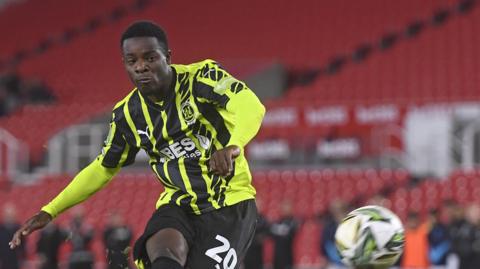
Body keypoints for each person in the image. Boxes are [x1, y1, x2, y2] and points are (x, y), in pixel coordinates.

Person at [9, 20, 266, 269]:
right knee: (164, 250)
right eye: (132, 61)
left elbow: (250, 105)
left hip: (230, 206)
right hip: (178, 205)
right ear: (125, 65)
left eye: (150, 58)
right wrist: (51, 210)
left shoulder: (201, 77)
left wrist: (234, 145)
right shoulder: (127, 115)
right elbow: (103, 167)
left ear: (168, 56)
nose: (141, 67)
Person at [270, 200, 299, 269]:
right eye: (283, 207)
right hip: (277, 258)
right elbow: (271, 233)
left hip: (287, 257)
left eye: (287, 207)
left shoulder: (293, 221)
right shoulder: (279, 221)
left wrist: (279, 231)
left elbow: (289, 234)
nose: (285, 209)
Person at [243, 198, 270, 269]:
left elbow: (266, 234)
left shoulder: (263, 220)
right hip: (248, 253)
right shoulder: (248, 218)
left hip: (258, 253)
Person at [0, 204, 24, 269]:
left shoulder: (19, 229)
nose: (9, 217)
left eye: (11, 215)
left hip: (15, 262)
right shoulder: (1, 229)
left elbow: (23, 246)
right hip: (3, 262)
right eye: (8, 215)